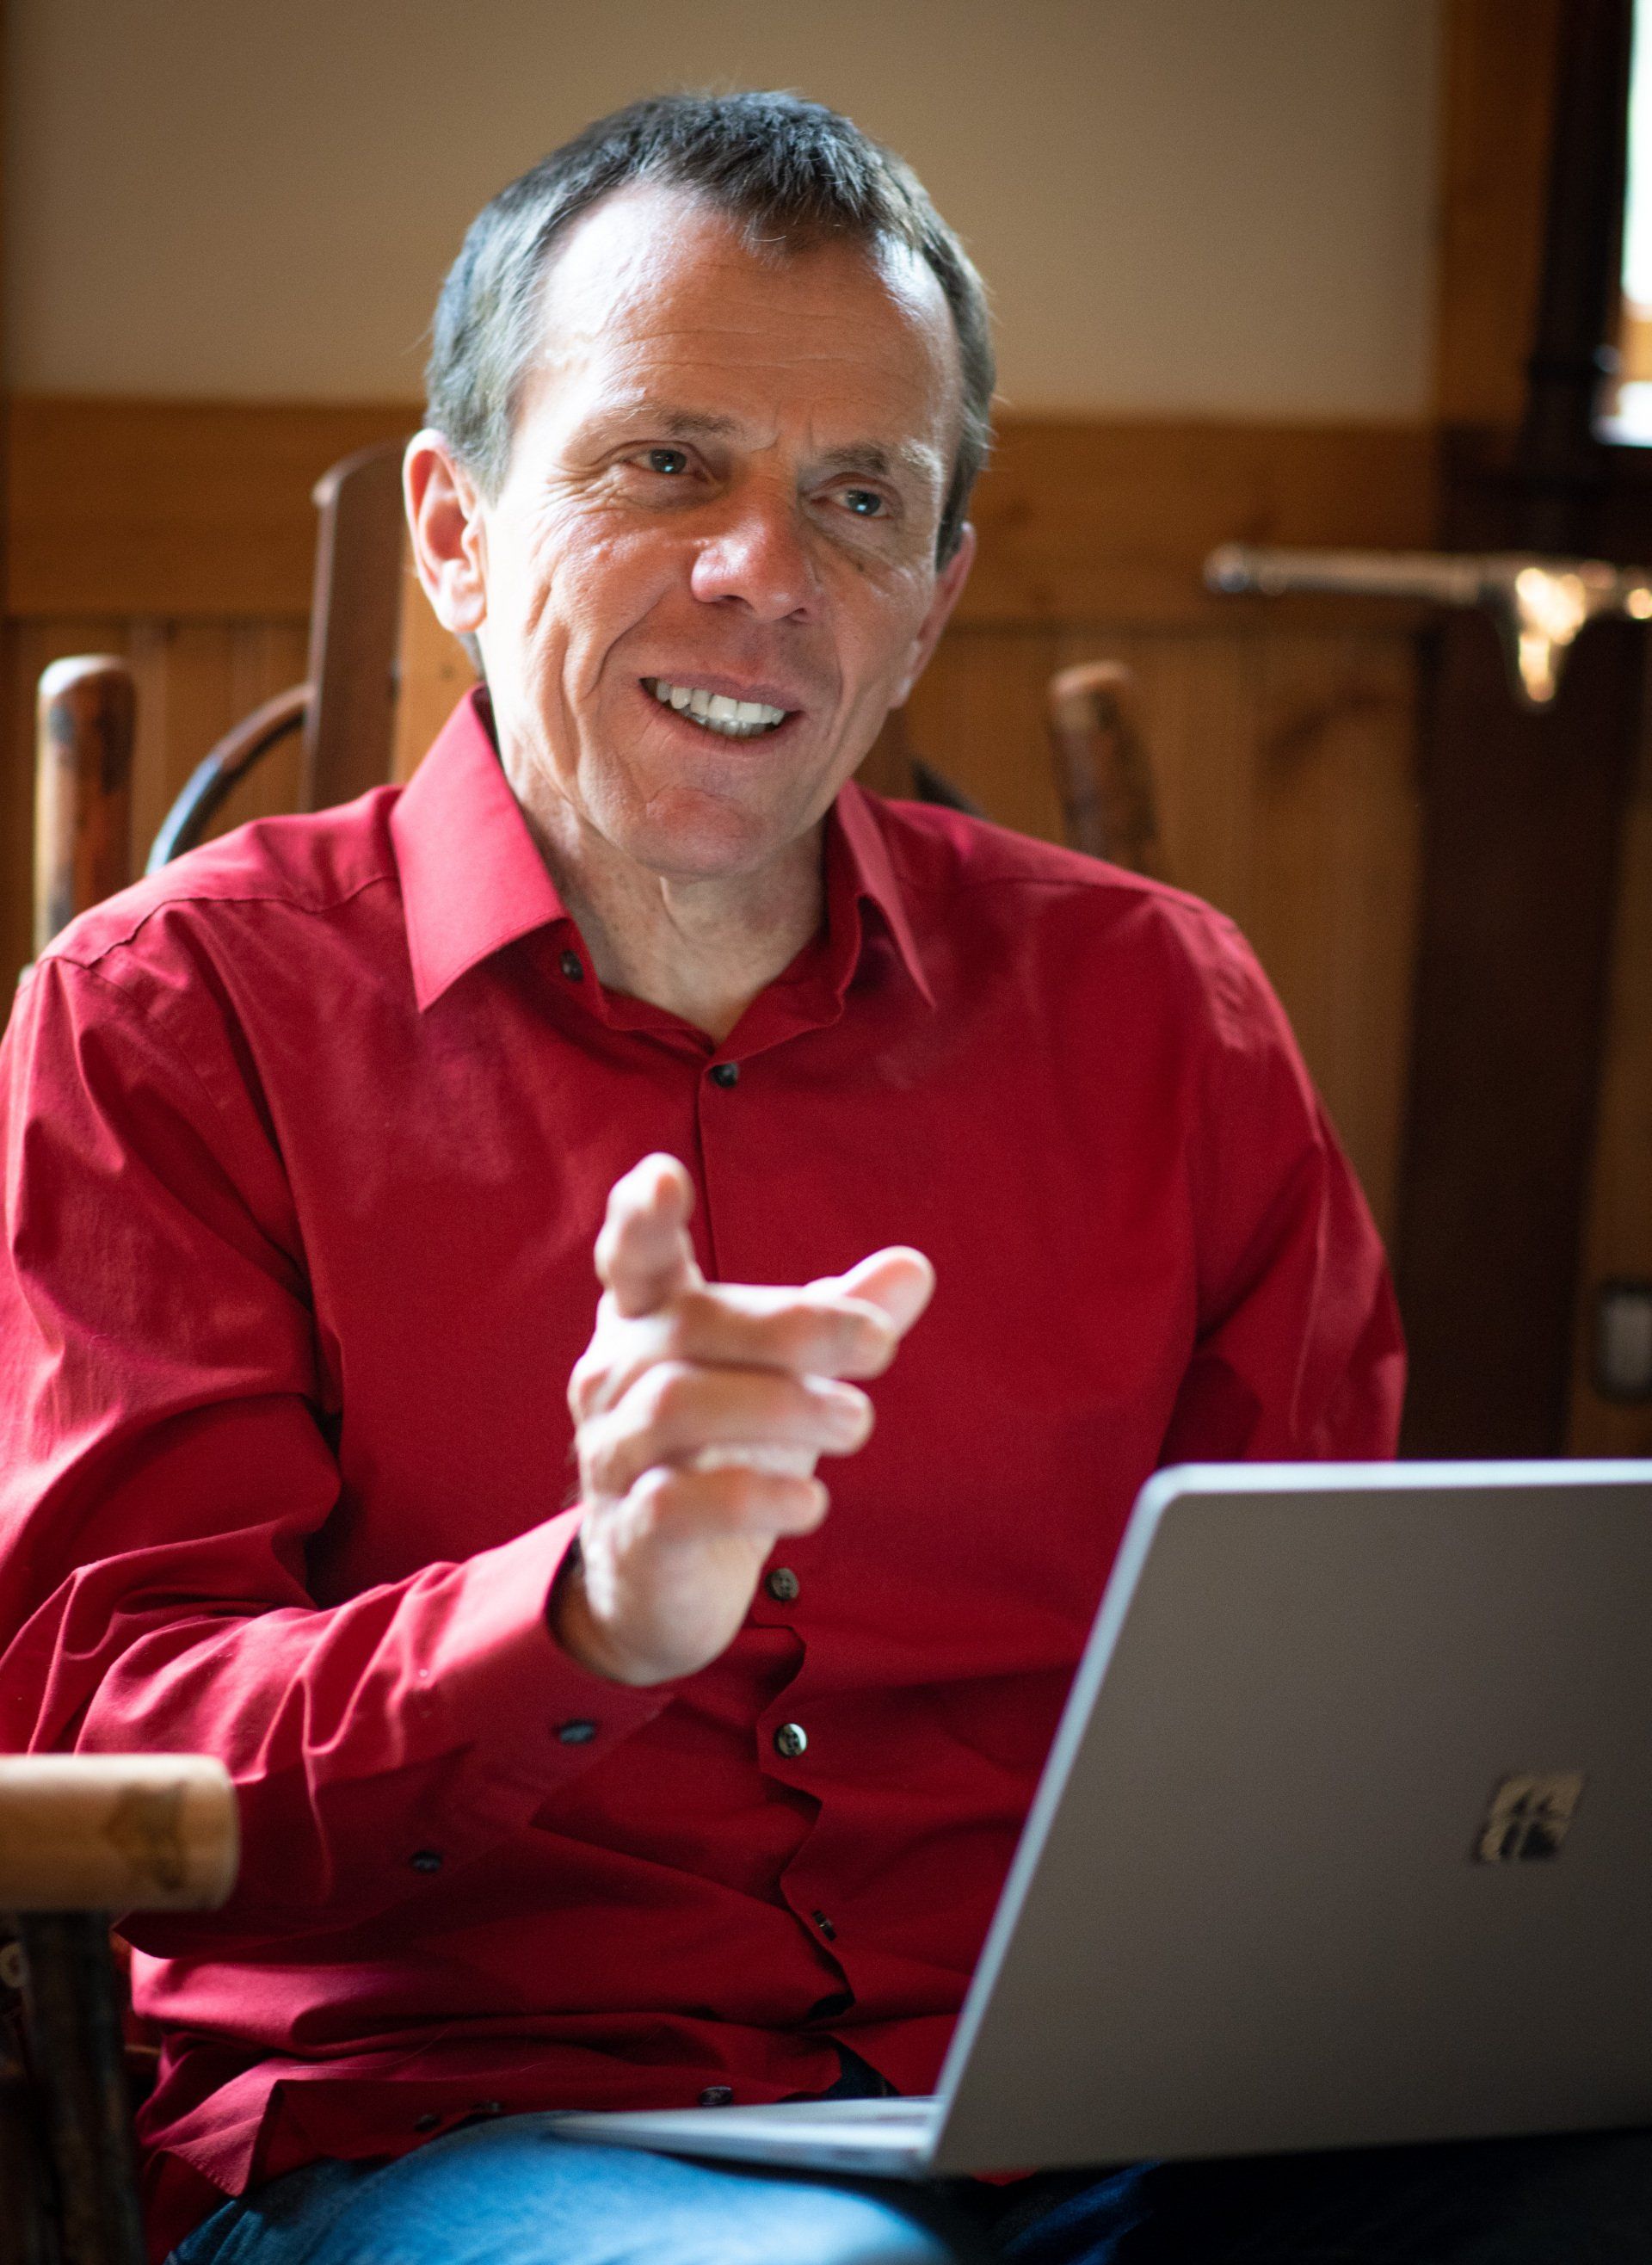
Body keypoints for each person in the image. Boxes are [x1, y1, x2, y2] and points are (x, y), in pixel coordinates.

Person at [18, 85, 1594, 2265]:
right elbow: (118, 1759)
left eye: (861, 499)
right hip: (450, 2126)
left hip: (1101, 2117)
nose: (766, 569)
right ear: (457, 528)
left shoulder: (1167, 1011)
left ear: (931, 601)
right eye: (666, 463)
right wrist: (577, 1612)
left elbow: (1313, 1708)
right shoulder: (163, 1019)